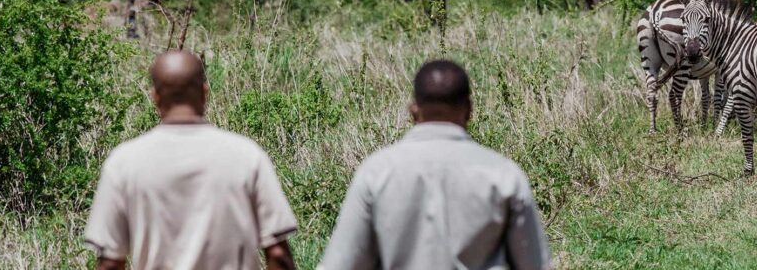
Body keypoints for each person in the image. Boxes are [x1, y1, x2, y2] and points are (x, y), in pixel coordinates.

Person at [319, 60, 550, 270]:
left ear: (413, 111)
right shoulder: (503, 174)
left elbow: (342, 263)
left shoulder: (377, 172)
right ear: (469, 110)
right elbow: (532, 263)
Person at [84, 50, 298, 270]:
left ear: (155, 97)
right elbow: (278, 254)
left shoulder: (124, 162)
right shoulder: (246, 155)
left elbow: (110, 262)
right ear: (205, 92)